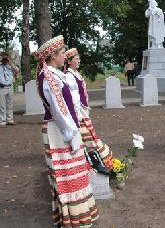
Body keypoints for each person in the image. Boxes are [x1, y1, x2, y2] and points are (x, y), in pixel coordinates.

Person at [35, 36, 98, 227]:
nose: (65, 56)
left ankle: (77, 216)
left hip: (61, 129)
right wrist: (72, 135)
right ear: (53, 56)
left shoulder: (53, 74)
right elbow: (60, 110)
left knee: (71, 173)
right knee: (67, 175)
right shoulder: (50, 77)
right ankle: (73, 220)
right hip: (59, 131)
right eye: (63, 53)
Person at [64, 47, 113, 171]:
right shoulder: (69, 76)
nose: (79, 60)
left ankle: (93, 160)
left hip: (83, 110)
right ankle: (97, 161)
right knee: (88, 138)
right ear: (69, 61)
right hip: (78, 113)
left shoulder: (75, 74)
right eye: (76, 59)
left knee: (88, 137)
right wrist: (77, 115)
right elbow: (73, 98)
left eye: (79, 58)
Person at [0, 52, 19, 128]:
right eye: (3, 58)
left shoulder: (10, 66)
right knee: (2, 106)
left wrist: (10, 62)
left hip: (10, 87)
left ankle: (10, 120)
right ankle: (2, 121)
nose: (5, 60)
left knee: (10, 105)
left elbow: (16, 71)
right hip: (1, 87)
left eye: (6, 58)